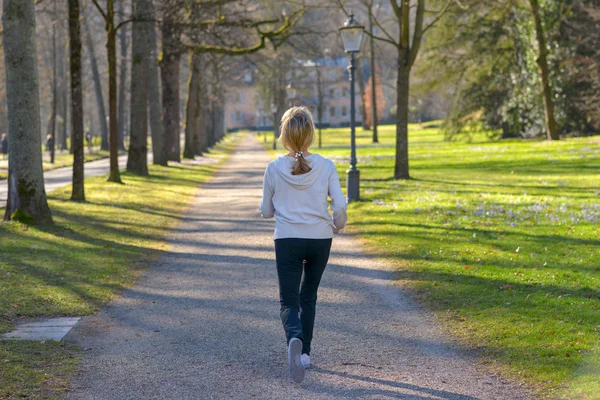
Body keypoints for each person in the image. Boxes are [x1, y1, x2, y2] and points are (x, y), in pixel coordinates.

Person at [260, 106, 348, 383]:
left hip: (287, 239)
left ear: (283, 135)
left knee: (289, 299)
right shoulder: (326, 165)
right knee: (308, 296)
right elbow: (341, 205)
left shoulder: (274, 168)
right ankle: (306, 354)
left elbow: (266, 212)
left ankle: (294, 339)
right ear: (311, 135)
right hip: (320, 239)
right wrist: (338, 224)